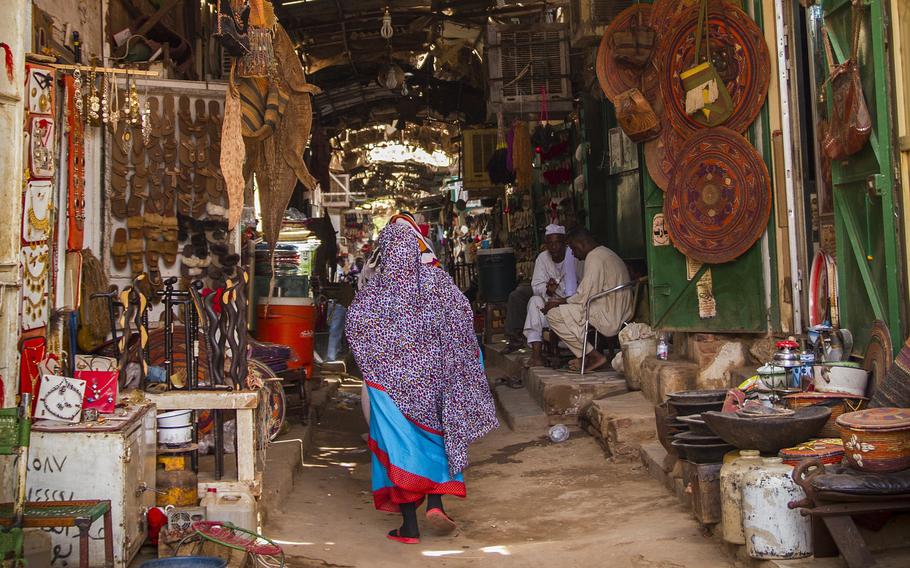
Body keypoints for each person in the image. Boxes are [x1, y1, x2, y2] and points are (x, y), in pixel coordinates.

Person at [346, 222, 498, 544]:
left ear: (386, 253)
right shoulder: (437, 281)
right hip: (435, 383)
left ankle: (409, 528)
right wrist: (456, 363)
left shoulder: (376, 290)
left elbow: (355, 327)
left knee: (400, 448)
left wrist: (377, 364)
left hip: (391, 388)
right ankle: (436, 502)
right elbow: (462, 318)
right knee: (439, 440)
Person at [543, 228, 632, 373]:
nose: (573, 254)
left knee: (554, 315)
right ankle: (586, 356)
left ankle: (593, 356)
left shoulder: (594, 257)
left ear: (582, 244)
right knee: (565, 312)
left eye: (573, 249)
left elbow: (584, 296)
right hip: (619, 309)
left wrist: (558, 302)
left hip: (609, 313)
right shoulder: (606, 252)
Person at [523, 224, 580, 367]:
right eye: (550, 243)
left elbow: (583, 286)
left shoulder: (574, 256)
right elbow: (536, 286)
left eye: (557, 243)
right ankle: (536, 355)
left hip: (571, 304)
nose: (553, 247)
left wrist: (562, 299)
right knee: (534, 301)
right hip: (549, 305)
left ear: (564, 242)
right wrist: (547, 290)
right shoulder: (542, 258)